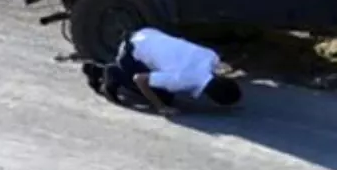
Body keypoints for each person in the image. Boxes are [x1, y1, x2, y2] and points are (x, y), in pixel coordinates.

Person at [82, 27, 242, 115]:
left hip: (148, 33)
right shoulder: (179, 80)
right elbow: (140, 79)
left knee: (165, 85)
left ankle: (111, 69)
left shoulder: (210, 56)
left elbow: (221, 66)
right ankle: (109, 72)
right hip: (131, 51)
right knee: (164, 97)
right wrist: (160, 107)